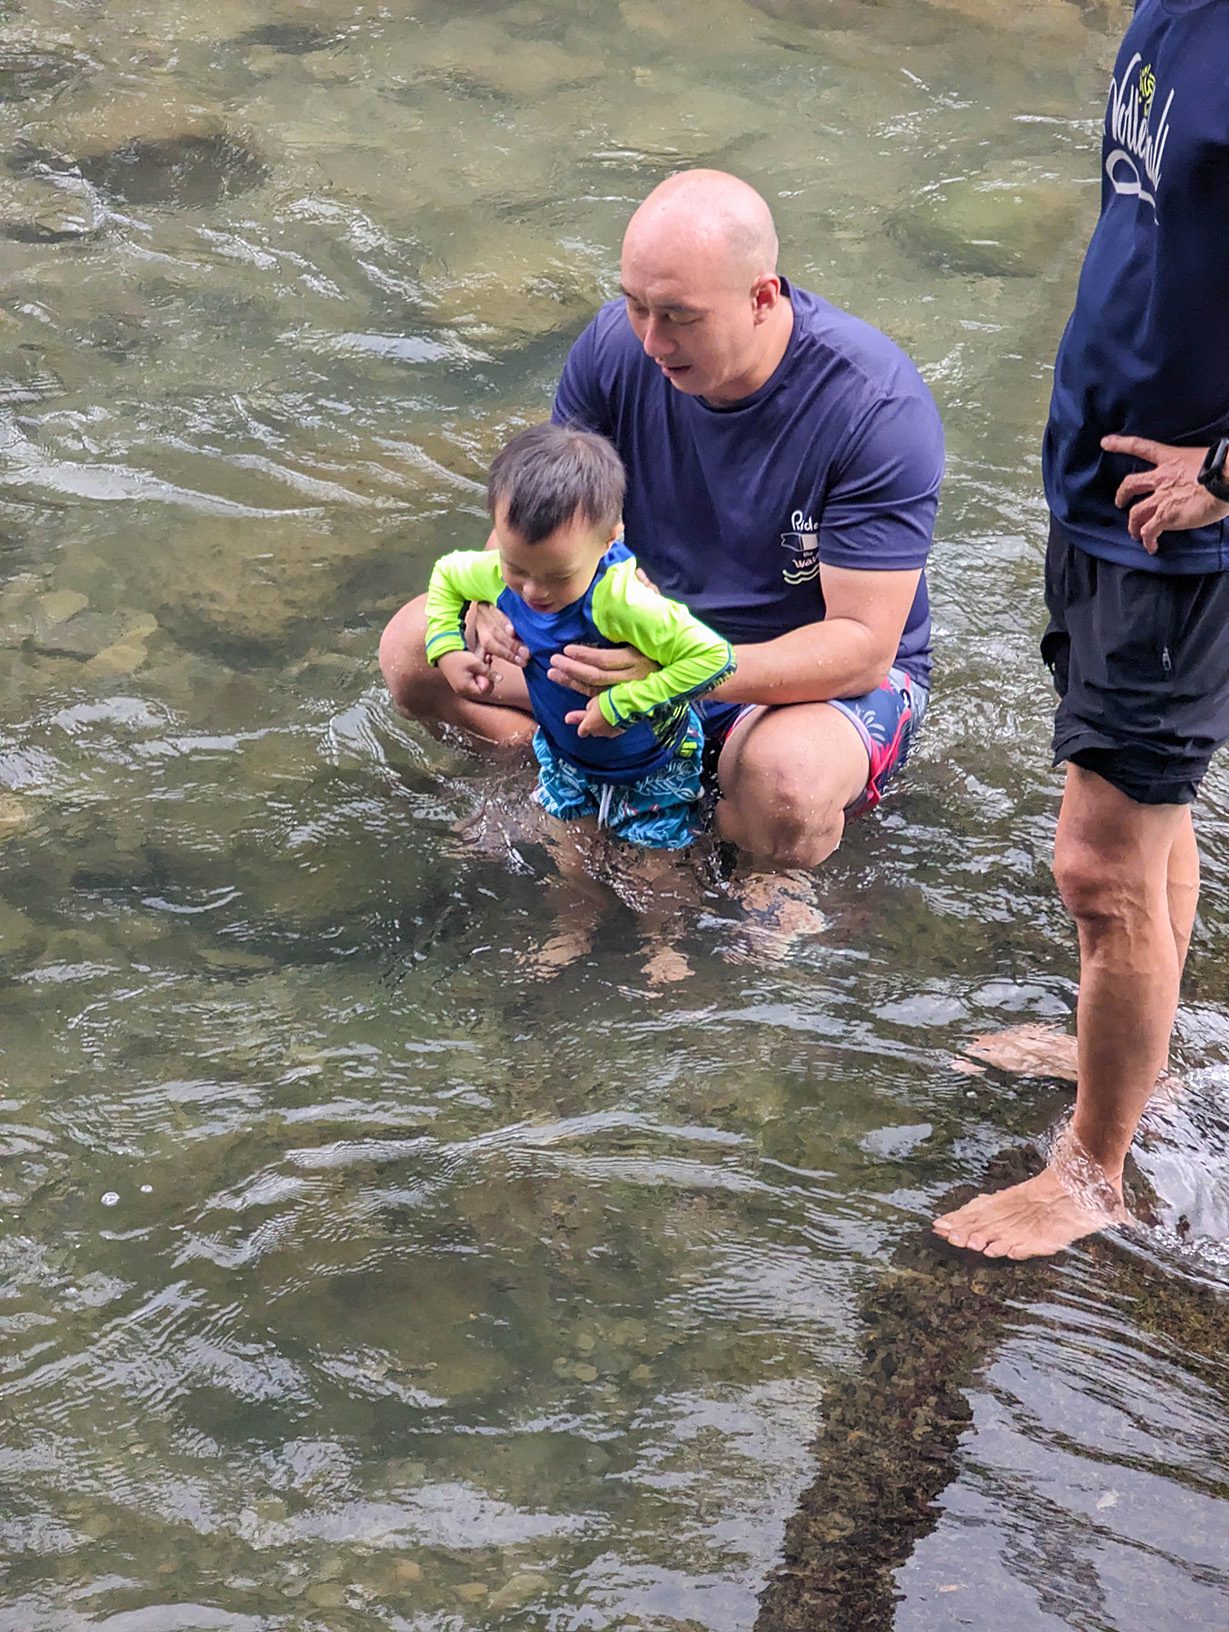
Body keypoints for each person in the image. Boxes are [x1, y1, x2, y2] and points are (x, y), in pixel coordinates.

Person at [380, 169, 944, 869]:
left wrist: (676, 673)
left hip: (783, 680)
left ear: (761, 298)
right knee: (415, 652)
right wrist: (491, 600)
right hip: (624, 639)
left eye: (678, 315)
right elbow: (542, 510)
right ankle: (579, 790)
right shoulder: (615, 349)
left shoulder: (873, 409)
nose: (649, 340)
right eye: (634, 306)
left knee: (786, 785)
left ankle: (766, 862)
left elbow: (863, 646)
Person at [935, 0, 1229, 1260]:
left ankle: (1092, 1172)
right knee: (1142, 828)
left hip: (1180, 528)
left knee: (1098, 866)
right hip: (1099, 485)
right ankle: (1132, 1056)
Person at [425, 422, 735, 850]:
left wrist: (623, 703)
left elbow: (714, 658)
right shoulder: (498, 571)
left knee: (657, 873)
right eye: (517, 569)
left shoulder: (623, 601)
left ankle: (663, 917)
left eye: (558, 576)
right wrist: (446, 649)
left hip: (652, 764)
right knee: (569, 848)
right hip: (565, 754)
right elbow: (447, 574)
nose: (533, 591)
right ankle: (571, 918)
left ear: (610, 539)